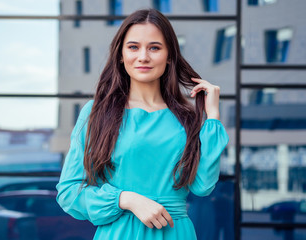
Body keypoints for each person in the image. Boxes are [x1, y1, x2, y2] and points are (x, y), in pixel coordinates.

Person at [56, 8, 229, 240]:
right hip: (120, 233)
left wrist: (213, 117)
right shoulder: (97, 113)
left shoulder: (187, 119)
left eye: (154, 48)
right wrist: (126, 199)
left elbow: (202, 186)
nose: (143, 57)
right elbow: (69, 192)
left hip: (175, 233)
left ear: (169, 56)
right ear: (121, 54)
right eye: (133, 47)